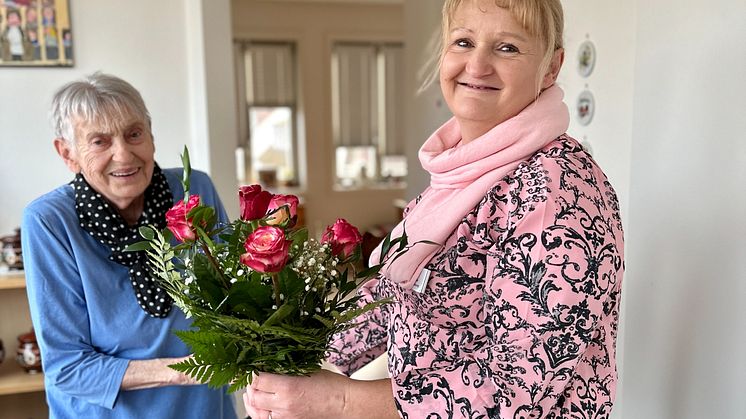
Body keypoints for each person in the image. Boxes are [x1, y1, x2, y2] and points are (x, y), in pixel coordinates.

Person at [243, 0, 624, 418]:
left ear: (551, 68)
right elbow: (394, 301)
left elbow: (518, 388)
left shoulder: (557, 190)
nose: (476, 66)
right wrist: (291, 356)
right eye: (464, 42)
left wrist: (341, 400)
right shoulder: (459, 172)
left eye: (507, 48)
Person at [22, 73, 238, 419]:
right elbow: (67, 367)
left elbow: (235, 298)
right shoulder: (49, 221)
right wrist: (191, 369)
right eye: (99, 142)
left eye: (134, 134)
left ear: (151, 137)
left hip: (204, 410)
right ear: (68, 153)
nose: (123, 155)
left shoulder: (192, 189)